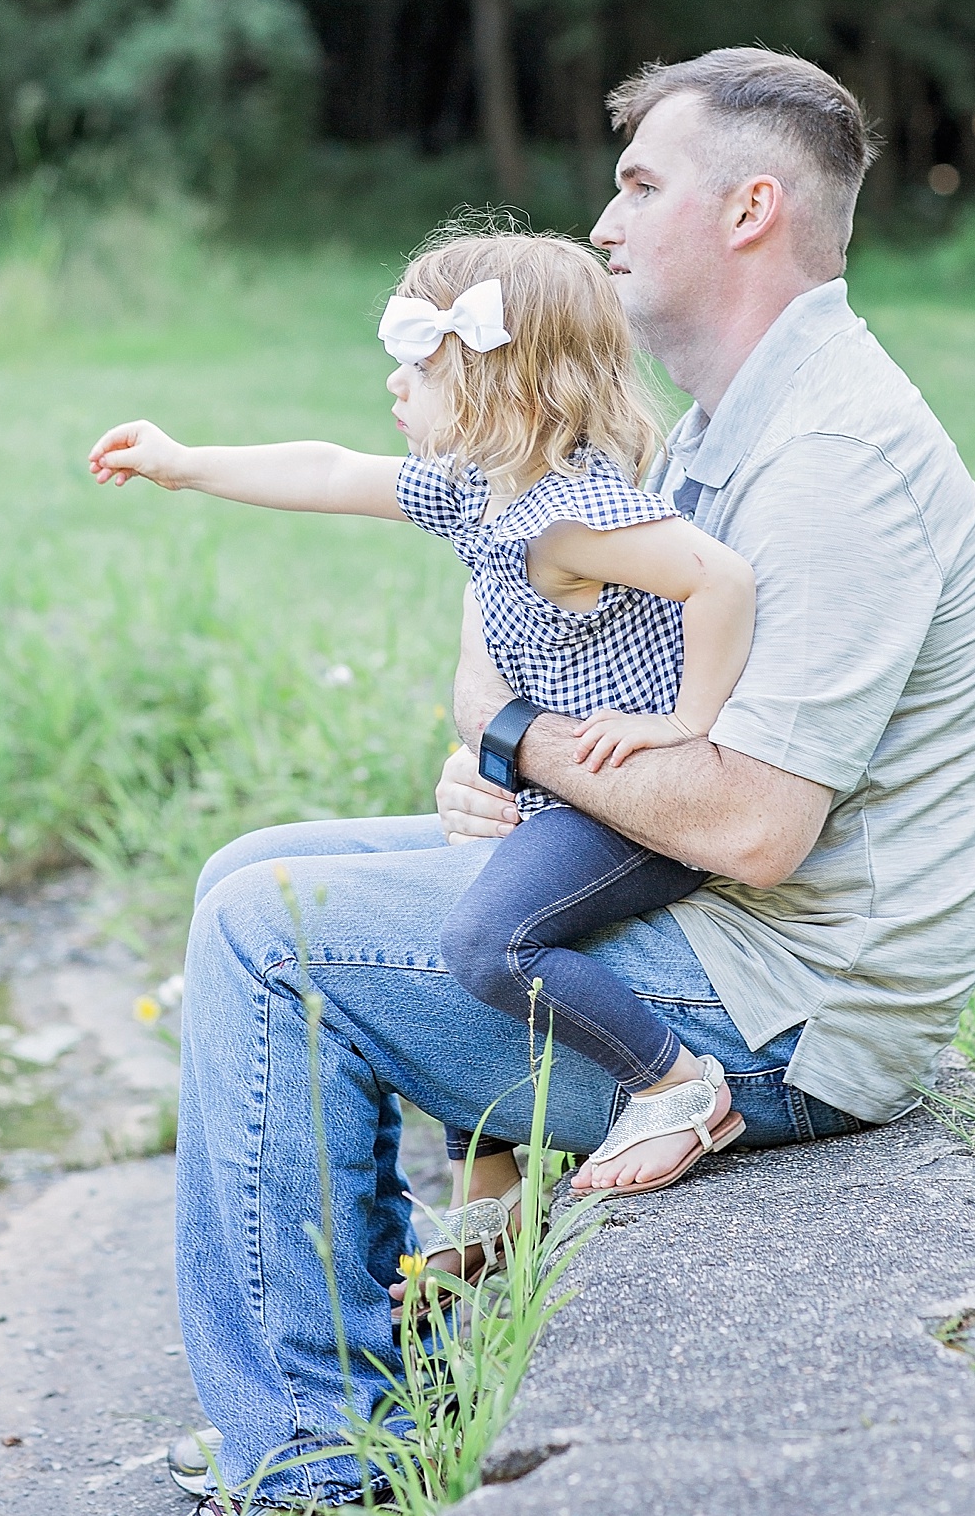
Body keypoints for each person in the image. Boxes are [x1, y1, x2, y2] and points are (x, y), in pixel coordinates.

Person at [168, 46, 975, 1516]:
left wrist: (512, 736)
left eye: (640, 184)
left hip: (783, 1015)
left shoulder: (833, 453)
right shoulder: (745, 419)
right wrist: (525, 751)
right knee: (251, 865)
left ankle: (314, 1465)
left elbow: (757, 823)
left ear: (752, 206)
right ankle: (392, 1344)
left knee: (272, 933)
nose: (606, 223)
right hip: (722, 922)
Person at [91, 231, 760, 1268]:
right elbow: (327, 468)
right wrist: (184, 463)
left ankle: (677, 1083)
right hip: (568, 798)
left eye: (421, 365)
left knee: (485, 938)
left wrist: (686, 723)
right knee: (454, 889)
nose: (395, 384)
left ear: (507, 386)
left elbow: (721, 581)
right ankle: (490, 1193)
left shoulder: (569, 520)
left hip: (636, 810)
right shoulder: (474, 490)